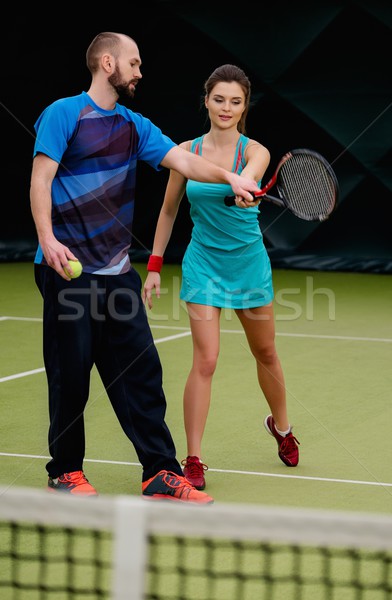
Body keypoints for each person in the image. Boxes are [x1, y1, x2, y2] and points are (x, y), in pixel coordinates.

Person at [30, 34, 261, 503]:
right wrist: (47, 239)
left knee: (141, 373)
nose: (139, 72)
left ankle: (159, 472)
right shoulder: (63, 113)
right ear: (108, 62)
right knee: (71, 374)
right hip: (68, 267)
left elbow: (186, 161)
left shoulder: (135, 126)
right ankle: (65, 471)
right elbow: (41, 177)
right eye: (134, 63)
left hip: (117, 273)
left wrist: (232, 176)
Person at [143, 64, 300, 491]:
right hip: (203, 265)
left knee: (265, 353)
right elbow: (169, 210)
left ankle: (282, 428)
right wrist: (155, 266)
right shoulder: (185, 151)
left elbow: (249, 174)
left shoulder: (256, 151)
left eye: (235, 101)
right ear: (206, 101)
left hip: (248, 264)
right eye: (219, 99)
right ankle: (192, 458)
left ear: (244, 106)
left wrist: (245, 186)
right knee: (206, 358)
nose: (226, 108)